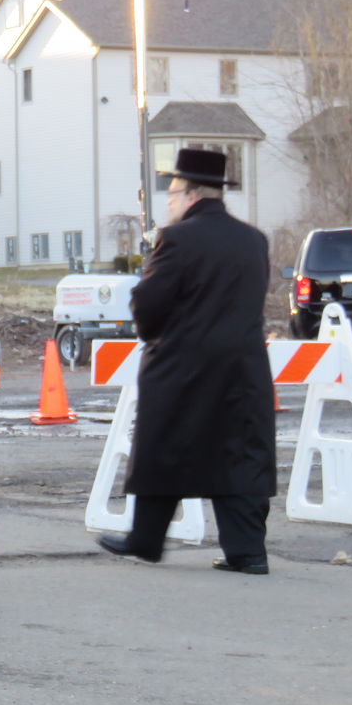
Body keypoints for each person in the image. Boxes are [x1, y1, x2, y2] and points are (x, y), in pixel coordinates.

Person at [97, 148, 275, 574]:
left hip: (183, 366)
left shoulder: (177, 238)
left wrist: (152, 330)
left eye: (173, 194)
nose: (170, 202)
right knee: (241, 454)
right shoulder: (254, 239)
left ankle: (146, 540)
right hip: (243, 366)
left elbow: (150, 302)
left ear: (192, 194)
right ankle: (247, 552)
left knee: (165, 449)